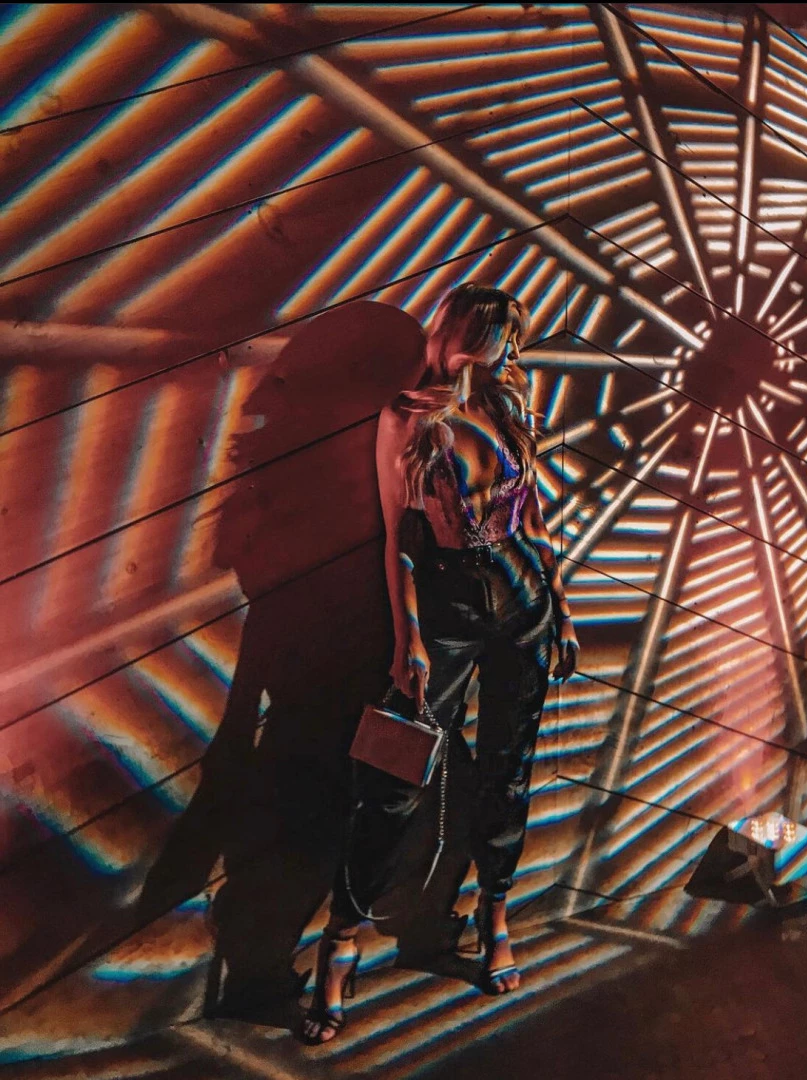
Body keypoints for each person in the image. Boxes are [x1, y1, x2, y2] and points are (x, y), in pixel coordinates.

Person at [302, 282, 579, 1044]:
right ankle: (341, 940)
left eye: (513, 342)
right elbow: (398, 539)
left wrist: (560, 605)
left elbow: (533, 515)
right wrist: (407, 642)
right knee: (393, 778)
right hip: (446, 608)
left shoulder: (506, 404)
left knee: (508, 769)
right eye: (499, 339)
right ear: (463, 334)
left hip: (523, 601)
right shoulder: (408, 416)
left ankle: (494, 912)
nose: (509, 354)